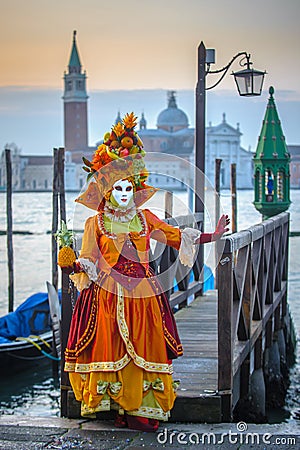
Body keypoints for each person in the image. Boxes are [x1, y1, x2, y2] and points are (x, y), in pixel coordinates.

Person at [58, 113, 230, 432]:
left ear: (134, 188)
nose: (123, 194)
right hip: (106, 297)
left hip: (143, 295)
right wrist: (72, 263)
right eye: (116, 188)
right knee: (111, 346)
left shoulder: (145, 218)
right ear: (106, 191)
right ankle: (115, 405)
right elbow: (88, 261)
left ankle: (140, 407)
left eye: (128, 187)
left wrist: (212, 236)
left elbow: (177, 236)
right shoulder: (94, 224)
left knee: (144, 345)